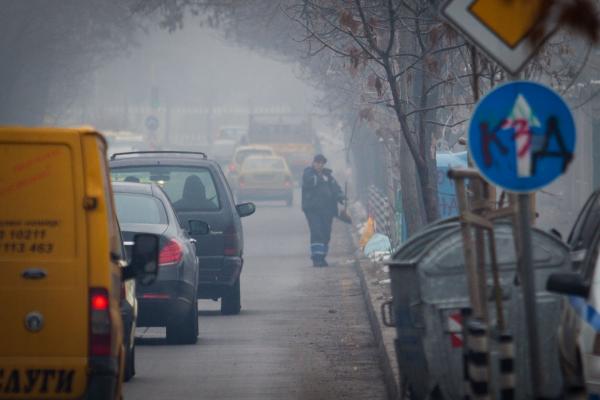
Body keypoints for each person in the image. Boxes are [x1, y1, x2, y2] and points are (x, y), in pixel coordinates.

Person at [302, 154, 344, 267]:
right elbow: (310, 182)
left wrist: (340, 196)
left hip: (328, 210)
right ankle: (317, 258)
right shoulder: (308, 173)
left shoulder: (328, 176)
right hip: (313, 210)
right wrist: (322, 178)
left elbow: (335, 188)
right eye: (318, 162)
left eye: (322, 163)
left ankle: (322, 256)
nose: (320, 165)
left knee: (326, 233)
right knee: (317, 232)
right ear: (313, 163)